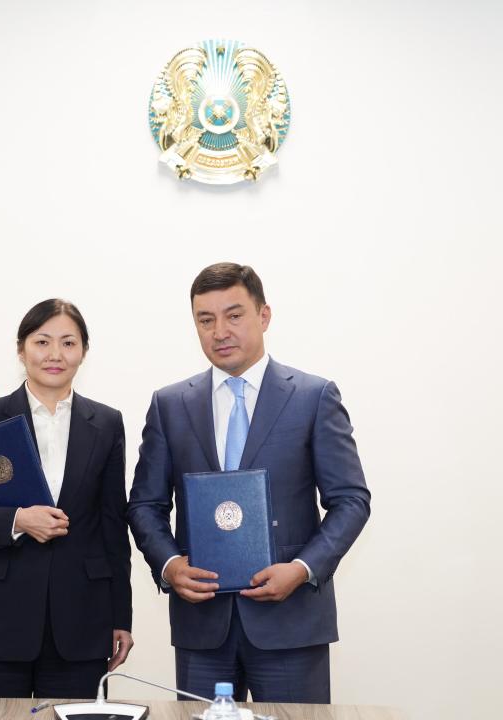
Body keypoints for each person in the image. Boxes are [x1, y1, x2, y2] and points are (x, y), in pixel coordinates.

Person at [127, 263, 370, 703]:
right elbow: (145, 504)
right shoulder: (169, 404)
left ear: (264, 315)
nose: (220, 331)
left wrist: (302, 569)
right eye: (205, 320)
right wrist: (170, 565)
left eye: (234, 315)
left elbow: (351, 500)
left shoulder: (314, 397)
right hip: (202, 626)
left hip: (291, 622)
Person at [0, 299, 133, 698]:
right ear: (21, 350)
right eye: (42, 342)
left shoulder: (107, 423)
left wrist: (120, 617)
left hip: (81, 623)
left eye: (68, 343)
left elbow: (113, 527)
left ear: (84, 352)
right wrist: (17, 520)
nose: (55, 354)